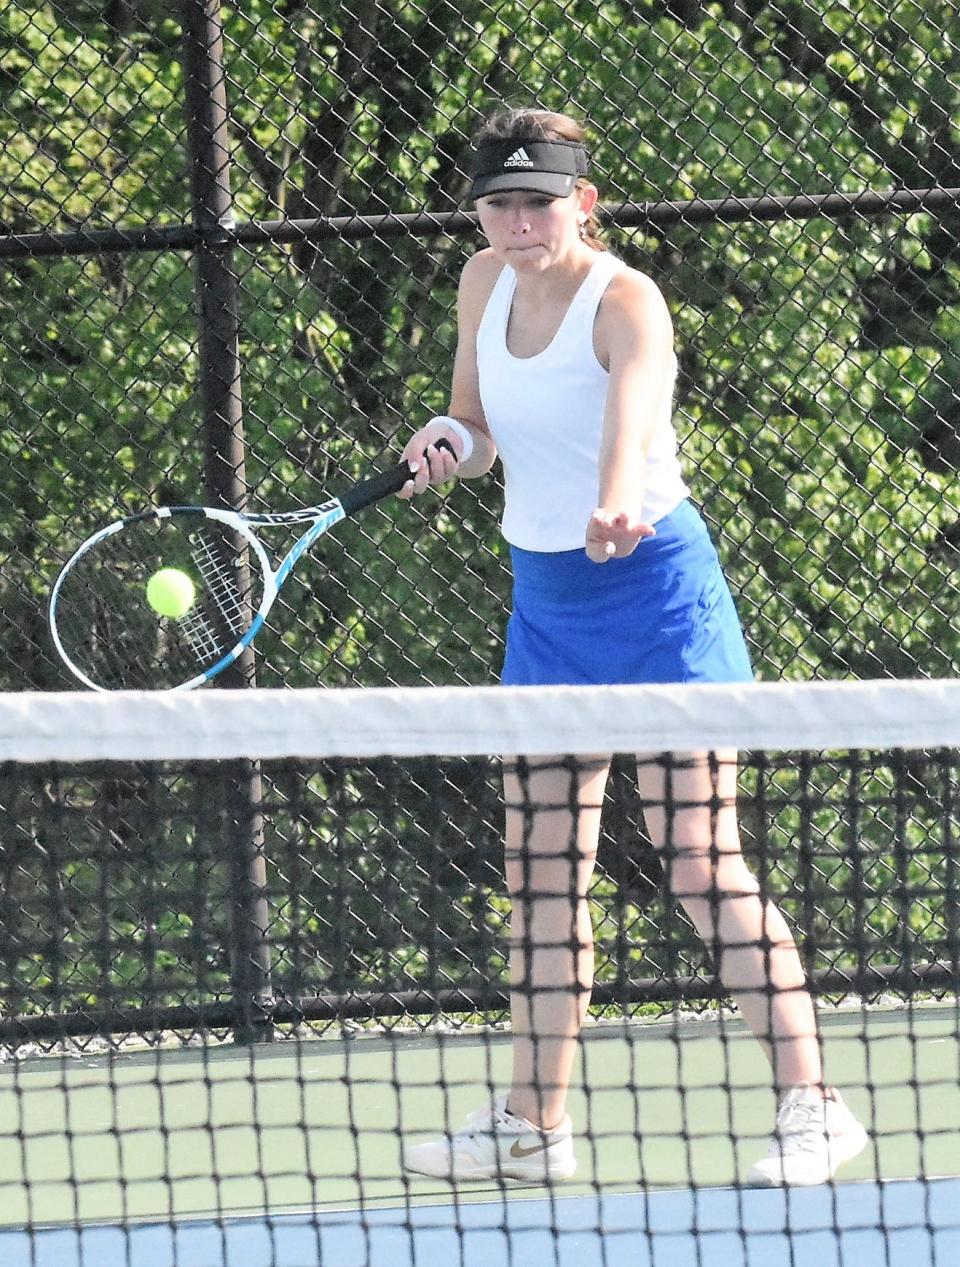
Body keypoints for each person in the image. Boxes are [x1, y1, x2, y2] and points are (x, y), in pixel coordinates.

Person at [397, 107, 867, 1187]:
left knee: (699, 858)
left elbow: (635, 420)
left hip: (656, 596)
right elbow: (480, 426)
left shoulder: (626, 298)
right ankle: (534, 1123)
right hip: (547, 605)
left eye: (539, 201)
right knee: (543, 868)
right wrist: (448, 442)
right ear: (480, 209)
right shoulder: (482, 282)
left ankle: (815, 1105)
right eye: (500, 202)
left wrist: (615, 507)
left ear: (584, 204)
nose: (518, 221)